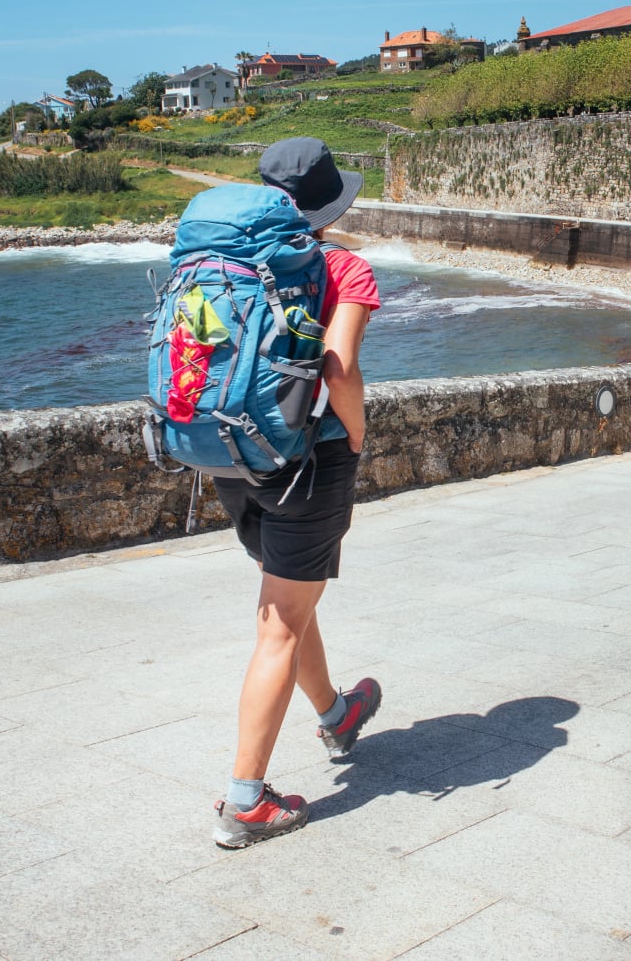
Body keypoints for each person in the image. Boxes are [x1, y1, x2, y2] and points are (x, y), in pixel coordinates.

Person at [211, 137, 384, 850]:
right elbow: (338, 368)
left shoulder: (234, 263)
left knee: (289, 595)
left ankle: (338, 713)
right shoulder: (343, 265)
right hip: (308, 461)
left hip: (230, 453)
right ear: (329, 202)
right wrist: (360, 434)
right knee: (279, 623)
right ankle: (245, 801)